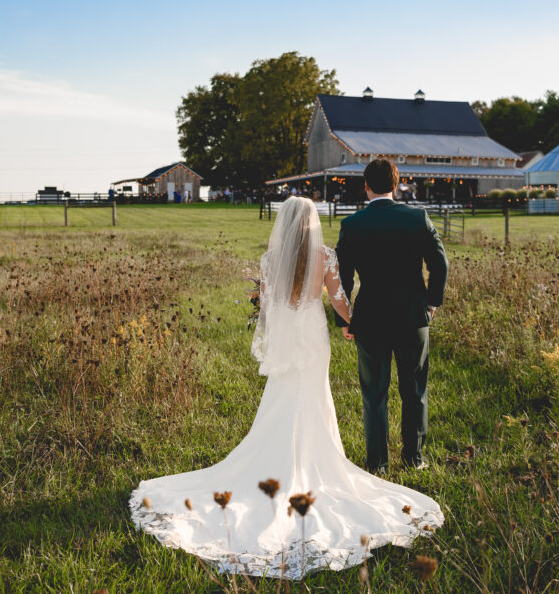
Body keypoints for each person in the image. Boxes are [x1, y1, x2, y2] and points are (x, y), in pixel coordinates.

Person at [130, 196, 443, 579]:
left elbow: (270, 303)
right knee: (313, 399)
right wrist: (354, 322)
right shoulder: (325, 257)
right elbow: (341, 302)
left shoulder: (269, 259)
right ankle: (314, 462)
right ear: (312, 222)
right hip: (312, 337)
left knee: (284, 399)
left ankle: (276, 458)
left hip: (289, 339)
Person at [335, 160, 448, 473]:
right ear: (396, 185)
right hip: (413, 315)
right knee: (415, 390)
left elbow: (341, 277)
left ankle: (377, 464)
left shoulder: (352, 224)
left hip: (370, 317)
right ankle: (415, 459)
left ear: (366, 186)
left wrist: (345, 319)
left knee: (374, 394)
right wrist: (432, 303)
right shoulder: (417, 218)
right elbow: (440, 264)